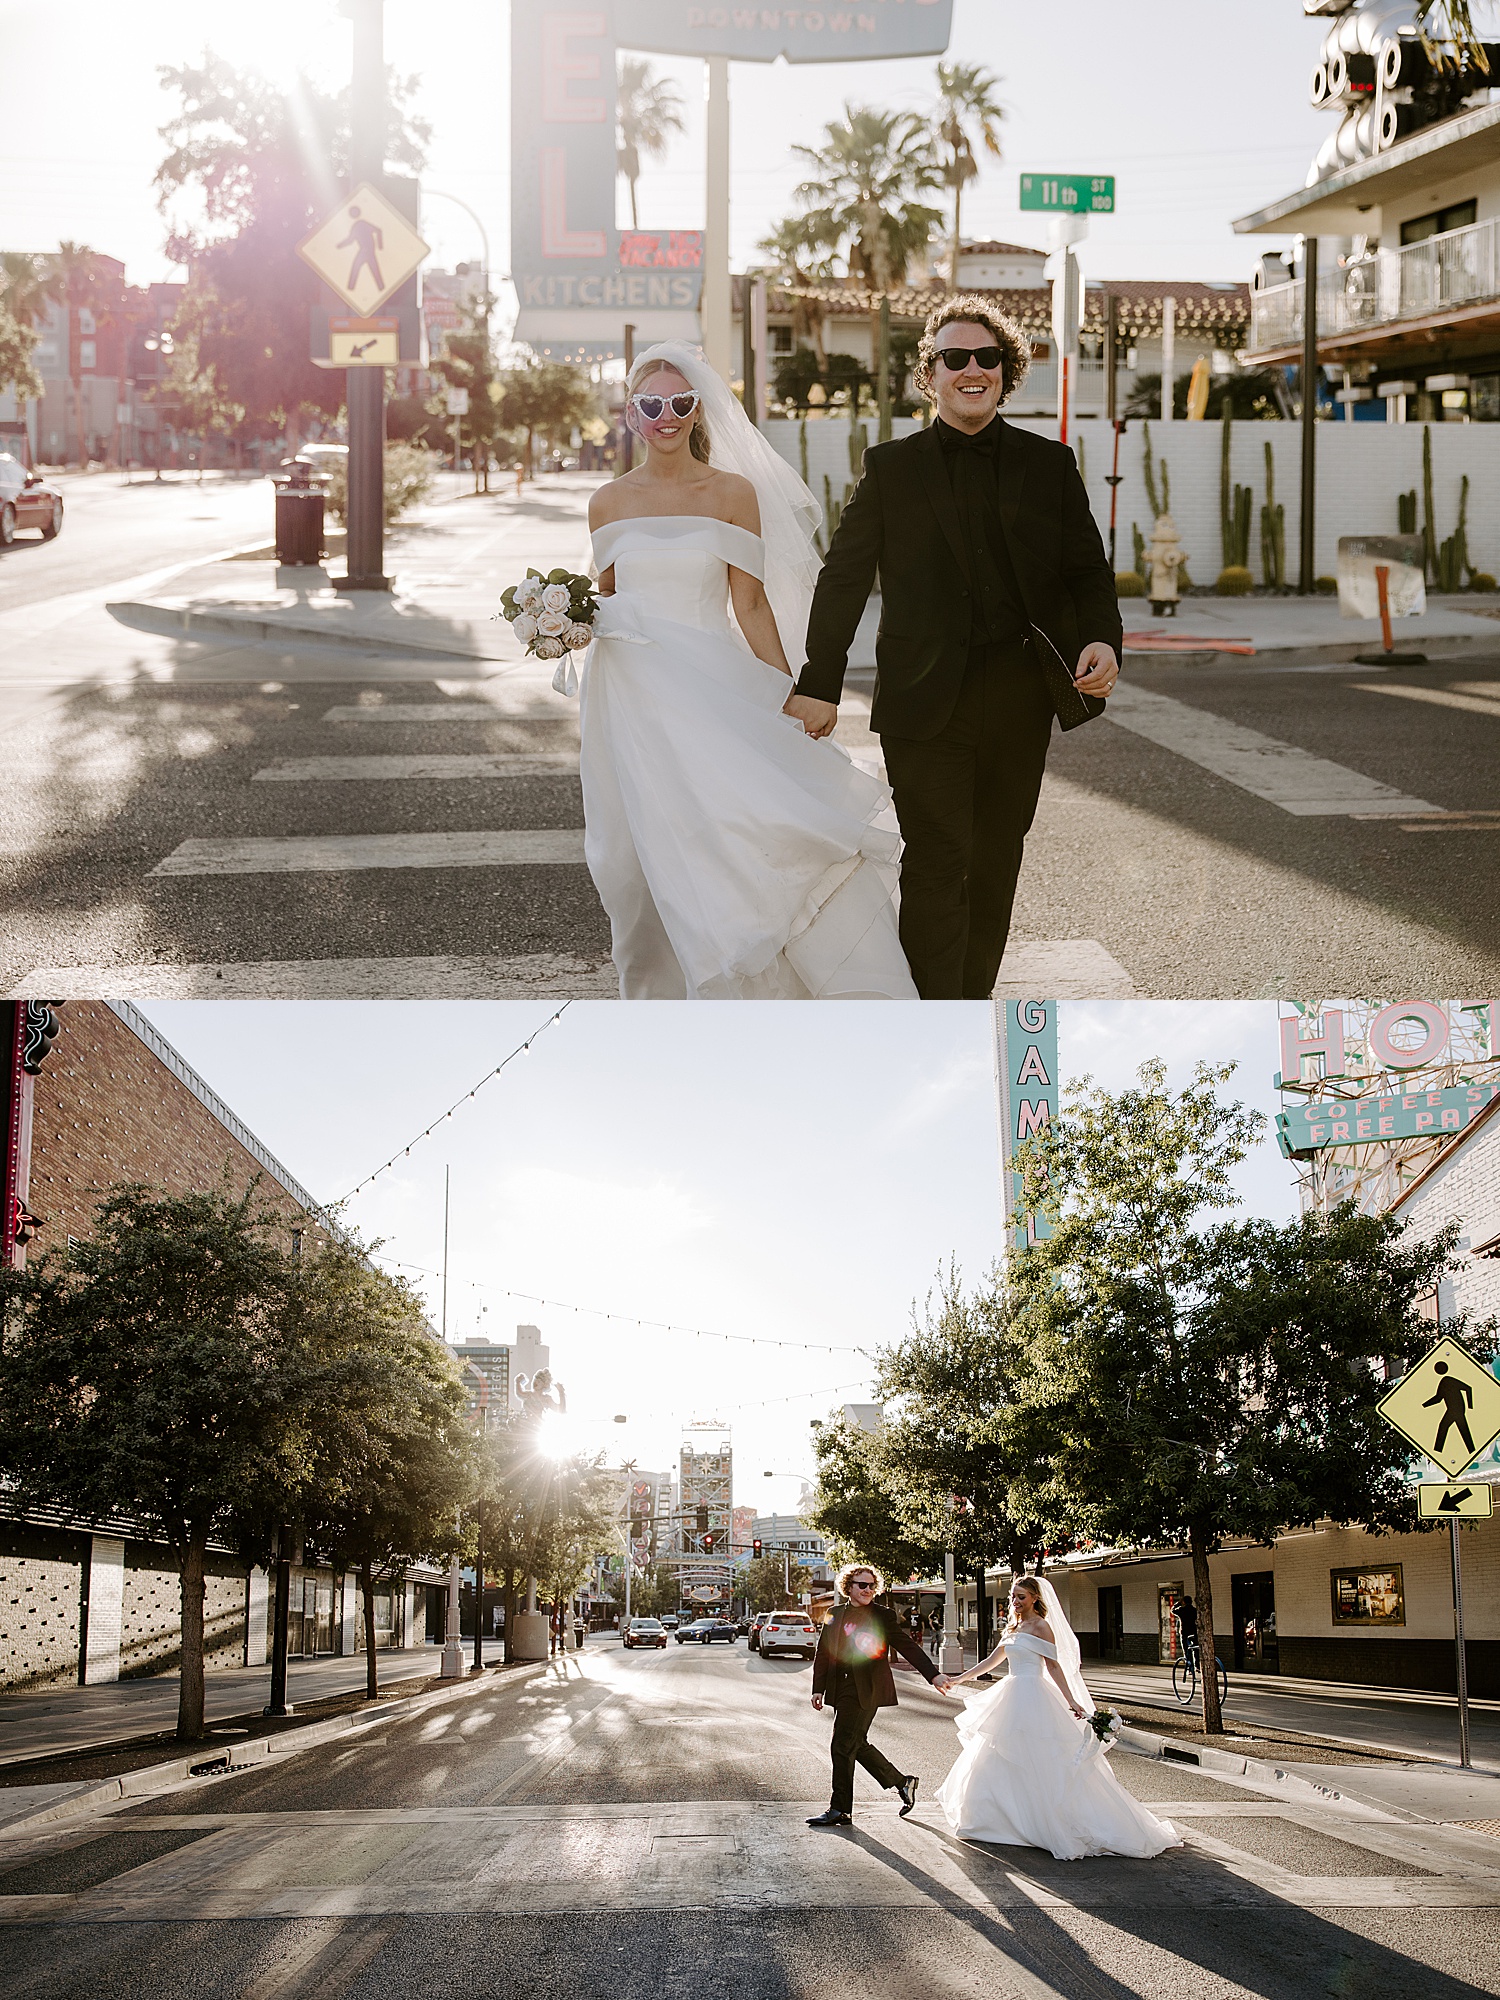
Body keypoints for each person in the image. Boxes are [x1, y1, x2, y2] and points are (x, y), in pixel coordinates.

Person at [787, 295, 1123, 1000]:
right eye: (955, 358)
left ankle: (969, 1005)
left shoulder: (1050, 464)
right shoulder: (891, 468)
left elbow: (1086, 569)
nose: (972, 370)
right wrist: (821, 680)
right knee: (938, 862)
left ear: (1006, 370)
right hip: (922, 701)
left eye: (987, 358)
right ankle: (935, 1013)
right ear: (930, 374)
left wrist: (1101, 638)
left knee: (996, 862)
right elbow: (844, 578)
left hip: (1019, 700)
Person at [570, 341, 917, 1000]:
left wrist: (788, 697)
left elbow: (750, 605)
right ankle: (662, 1005)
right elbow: (607, 599)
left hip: (709, 695)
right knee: (634, 859)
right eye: (651, 403)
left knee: (734, 834)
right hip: (628, 703)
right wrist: (561, 627)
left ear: (698, 408)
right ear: (631, 415)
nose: (666, 415)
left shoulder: (732, 494)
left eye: (680, 401)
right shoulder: (606, 502)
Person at [935, 1575, 1180, 1861]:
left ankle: (1042, 1823)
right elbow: (992, 1660)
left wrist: (1072, 1700)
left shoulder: (1042, 1626)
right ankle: (994, 1821)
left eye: (1021, 1597)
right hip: (1010, 1694)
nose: (1015, 1602)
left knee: (1040, 1760)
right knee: (993, 1756)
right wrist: (960, 1678)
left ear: (1035, 1598)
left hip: (1034, 1695)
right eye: (1013, 1597)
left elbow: (1053, 1665)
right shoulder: (1012, 1626)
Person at [807, 1562, 952, 1829]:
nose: (868, 1590)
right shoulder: (833, 1613)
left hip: (867, 1690)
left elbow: (907, 1645)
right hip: (841, 1689)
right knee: (855, 1743)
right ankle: (902, 1782)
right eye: (862, 1585)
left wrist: (933, 1674)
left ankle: (840, 1808)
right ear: (848, 1587)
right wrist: (818, 1688)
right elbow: (823, 1653)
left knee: (841, 1744)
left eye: (872, 1586)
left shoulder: (882, 1615)